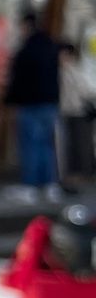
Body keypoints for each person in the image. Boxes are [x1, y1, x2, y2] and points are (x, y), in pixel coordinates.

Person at [4, 10, 61, 202]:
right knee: (47, 146)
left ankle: (29, 186)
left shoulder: (27, 50)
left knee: (30, 145)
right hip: (50, 103)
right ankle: (50, 185)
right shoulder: (51, 47)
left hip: (31, 103)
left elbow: (17, 80)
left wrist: (8, 99)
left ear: (26, 26)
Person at [56, 41, 95, 191]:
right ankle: (75, 174)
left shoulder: (73, 71)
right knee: (72, 145)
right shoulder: (64, 70)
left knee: (80, 145)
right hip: (68, 112)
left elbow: (88, 90)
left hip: (78, 112)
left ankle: (81, 174)